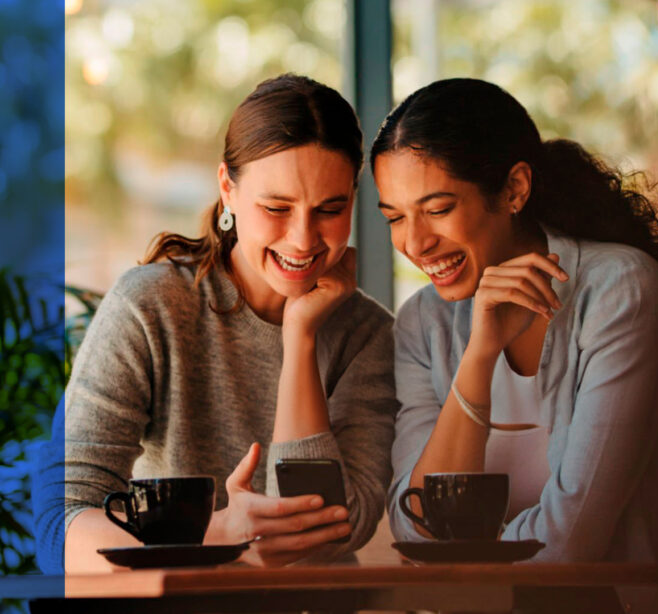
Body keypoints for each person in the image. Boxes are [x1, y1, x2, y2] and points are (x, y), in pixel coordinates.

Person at [371, 78, 658, 613]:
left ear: (515, 190)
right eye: (395, 218)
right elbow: (416, 526)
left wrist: (454, 563)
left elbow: (569, 544)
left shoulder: (622, 292)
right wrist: (478, 356)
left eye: (438, 208)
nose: (415, 242)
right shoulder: (423, 322)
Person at [33, 74, 397, 573]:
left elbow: (329, 530)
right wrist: (215, 535)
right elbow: (61, 524)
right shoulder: (152, 306)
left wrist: (301, 337)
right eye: (277, 208)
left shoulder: (368, 335)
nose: (303, 239)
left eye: (330, 209)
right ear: (228, 189)